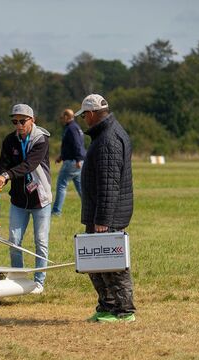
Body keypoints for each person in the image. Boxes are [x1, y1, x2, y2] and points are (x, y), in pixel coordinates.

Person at [76, 94, 136, 322]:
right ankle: (107, 306)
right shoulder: (105, 135)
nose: (84, 120)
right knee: (96, 263)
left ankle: (124, 311)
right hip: (101, 213)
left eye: (84, 116)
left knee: (113, 265)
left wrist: (102, 219)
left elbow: (109, 184)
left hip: (106, 216)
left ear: (91, 114)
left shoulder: (108, 140)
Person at [0, 103, 52, 293]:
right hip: (18, 200)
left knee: (40, 241)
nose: (18, 125)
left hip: (40, 199)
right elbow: (4, 165)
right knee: (14, 241)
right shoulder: (9, 140)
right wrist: (2, 176)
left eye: (22, 121)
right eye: (14, 121)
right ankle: (19, 279)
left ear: (32, 120)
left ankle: (39, 282)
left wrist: (7, 175)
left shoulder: (41, 139)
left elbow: (29, 165)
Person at [51, 108, 86, 216]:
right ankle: (89, 207)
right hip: (75, 161)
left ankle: (56, 211)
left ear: (67, 117)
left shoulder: (71, 128)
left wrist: (78, 159)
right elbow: (70, 146)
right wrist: (61, 157)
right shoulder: (75, 127)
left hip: (72, 162)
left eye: (62, 117)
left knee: (61, 185)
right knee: (81, 188)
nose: (62, 119)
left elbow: (77, 144)